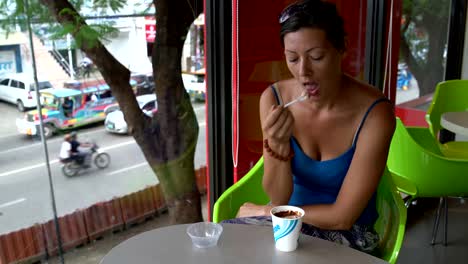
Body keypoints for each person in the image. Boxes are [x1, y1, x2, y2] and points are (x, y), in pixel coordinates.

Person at [224, 0, 396, 255]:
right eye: (292, 58)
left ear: (342, 48)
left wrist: (265, 211)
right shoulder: (274, 99)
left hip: (351, 236)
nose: (303, 71)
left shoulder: (375, 114)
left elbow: (343, 217)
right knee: (223, 244)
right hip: (286, 226)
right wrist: (278, 144)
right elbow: (280, 197)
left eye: (317, 57)